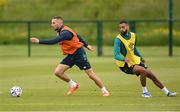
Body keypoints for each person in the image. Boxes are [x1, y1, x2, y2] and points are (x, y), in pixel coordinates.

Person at [30, 16, 109, 96]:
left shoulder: (65, 33)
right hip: (71, 55)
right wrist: (87, 45)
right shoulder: (62, 30)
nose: (52, 24)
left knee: (90, 74)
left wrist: (38, 41)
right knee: (58, 72)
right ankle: (73, 85)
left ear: (60, 23)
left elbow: (53, 41)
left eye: (54, 23)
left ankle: (104, 90)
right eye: (52, 23)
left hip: (79, 54)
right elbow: (78, 36)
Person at [114, 20, 177, 98]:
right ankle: (144, 92)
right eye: (120, 28)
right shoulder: (118, 39)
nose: (121, 29)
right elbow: (116, 55)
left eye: (123, 27)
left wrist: (141, 57)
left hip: (133, 60)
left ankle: (167, 92)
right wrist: (124, 58)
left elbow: (134, 48)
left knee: (150, 74)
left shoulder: (133, 35)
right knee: (143, 70)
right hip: (124, 64)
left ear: (127, 26)